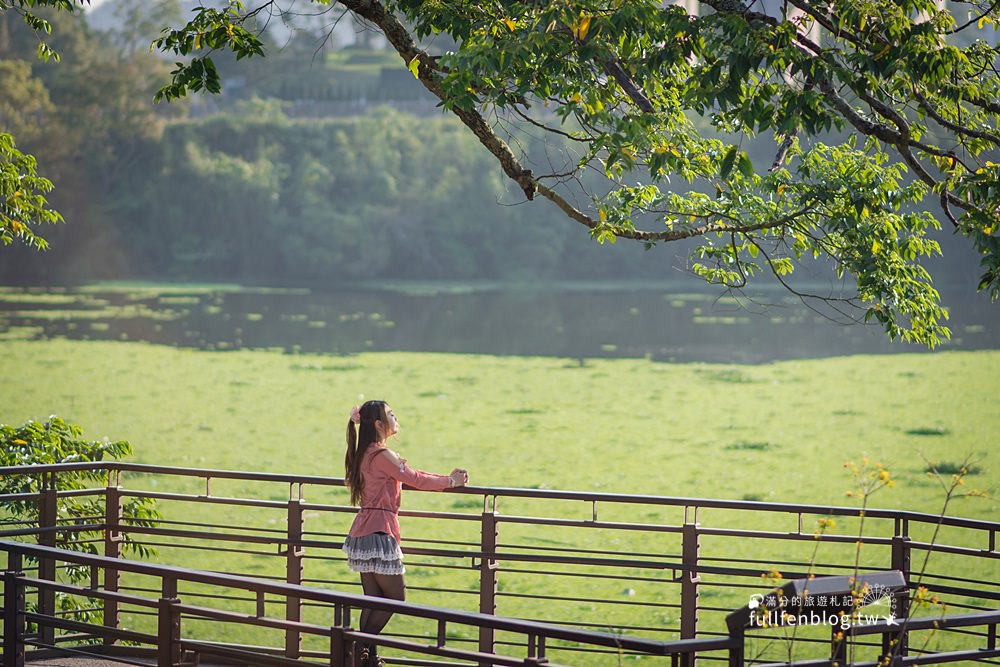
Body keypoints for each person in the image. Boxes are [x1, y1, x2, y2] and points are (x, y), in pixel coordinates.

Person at [342, 400, 469, 667]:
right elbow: (416, 479)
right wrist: (451, 482)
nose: (395, 418)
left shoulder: (364, 453)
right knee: (396, 599)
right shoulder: (382, 455)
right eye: (391, 415)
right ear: (379, 425)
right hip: (379, 533)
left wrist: (446, 478)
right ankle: (356, 649)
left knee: (374, 600)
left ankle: (365, 658)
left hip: (363, 531)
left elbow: (412, 475)